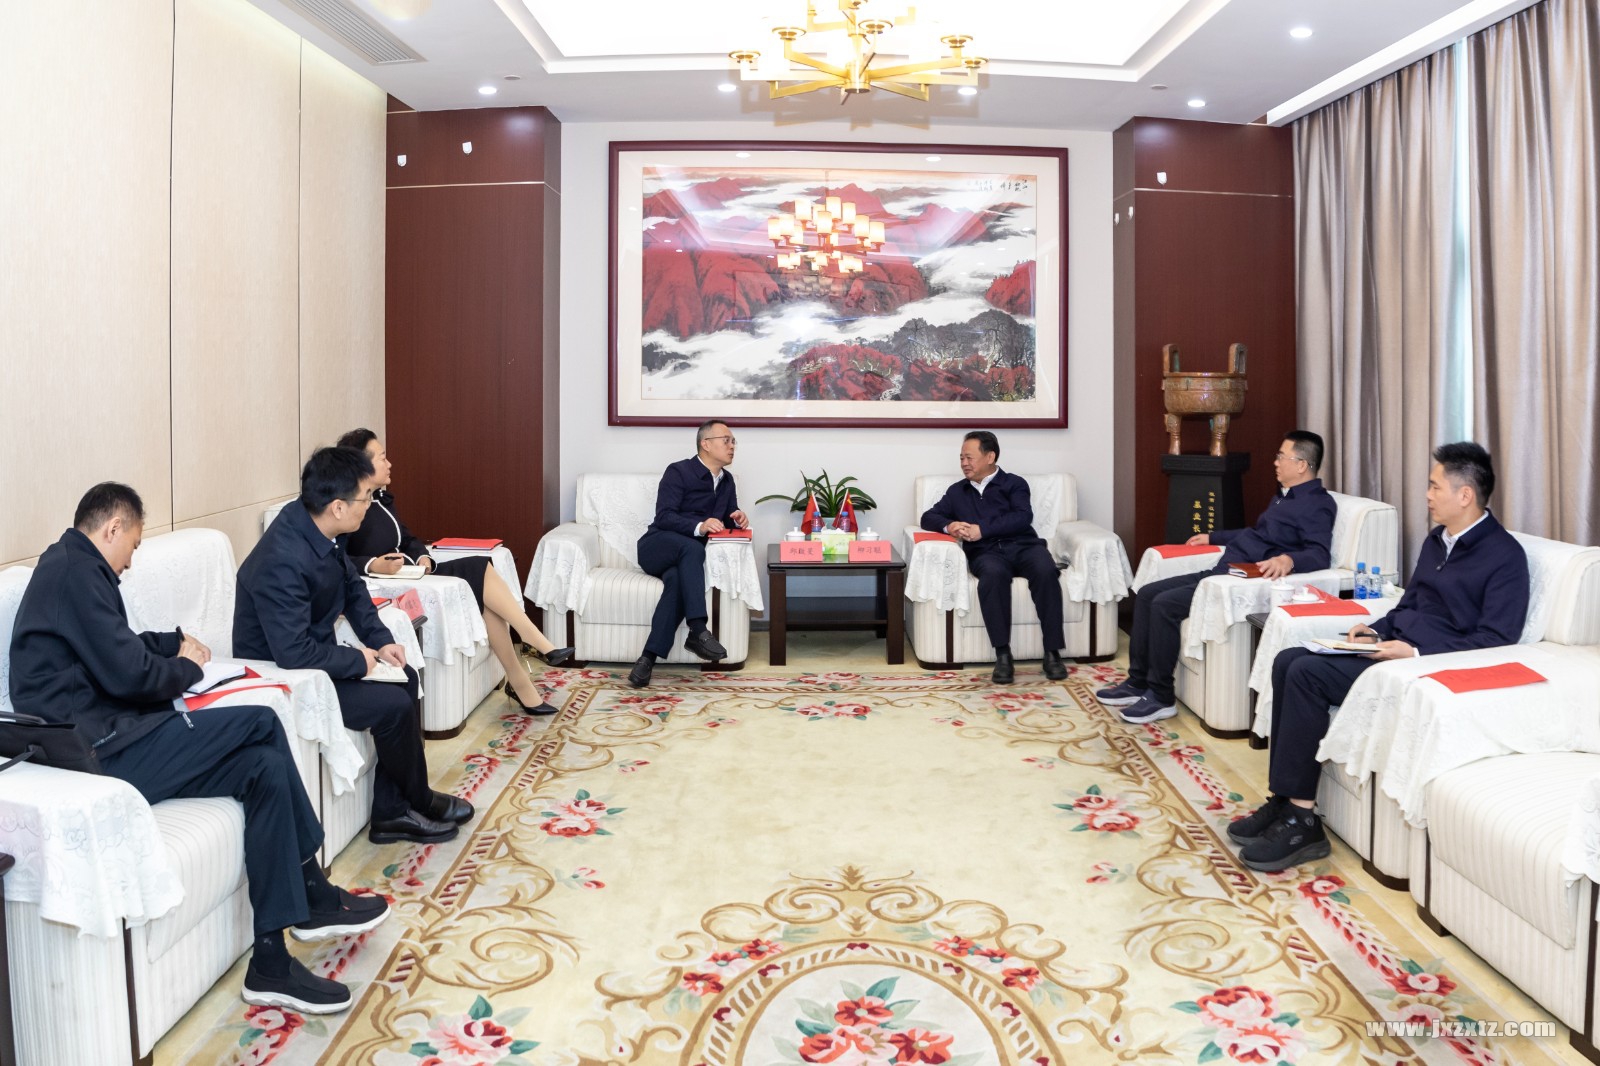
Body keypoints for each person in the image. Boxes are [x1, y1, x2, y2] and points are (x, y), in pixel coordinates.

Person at [7, 483, 387, 1014]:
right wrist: (189, 669)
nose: (130, 562)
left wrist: (172, 643)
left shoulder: (74, 568)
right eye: (133, 546)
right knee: (261, 721)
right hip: (96, 753)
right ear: (112, 529)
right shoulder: (74, 572)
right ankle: (311, 887)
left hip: (112, 735)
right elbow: (130, 674)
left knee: (262, 767)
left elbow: (115, 646)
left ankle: (271, 960)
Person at [1229, 442, 1529, 872]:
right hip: (1391, 649)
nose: (1427, 494)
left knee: (1307, 673)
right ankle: (1283, 801)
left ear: (1465, 495)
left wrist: (1417, 651)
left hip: (1422, 667)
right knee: (1288, 659)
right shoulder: (1437, 541)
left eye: (1434, 486)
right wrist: (1376, 629)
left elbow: (1497, 640)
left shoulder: (1504, 556)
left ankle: (1302, 821)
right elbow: (1411, 604)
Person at [235, 446, 472, 846]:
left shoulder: (320, 529)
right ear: (338, 507)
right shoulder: (281, 559)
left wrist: (381, 642)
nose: (369, 505)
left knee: (406, 675)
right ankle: (414, 802)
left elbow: (353, 590)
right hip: (286, 679)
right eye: (365, 497)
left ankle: (393, 811)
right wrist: (358, 660)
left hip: (314, 660)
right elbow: (291, 652)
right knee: (392, 706)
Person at [1097, 430, 1337, 724]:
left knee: (1164, 605)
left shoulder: (1317, 503)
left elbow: (1320, 554)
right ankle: (1137, 682)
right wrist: (1213, 536)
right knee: (1147, 593)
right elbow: (1256, 534)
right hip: (1224, 569)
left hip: (1238, 582)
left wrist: (1289, 559)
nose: (1275, 462)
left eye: (1281, 456)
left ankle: (1160, 696)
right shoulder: (1284, 497)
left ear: (1301, 465)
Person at [335, 428, 573, 716]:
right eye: (382, 458)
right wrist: (373, 564)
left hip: (416, 574)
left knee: (483, 577)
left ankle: (522, 677)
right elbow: (339, 556)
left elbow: (408, 538)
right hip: (393, 584)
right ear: (361, 466)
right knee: (477, 569)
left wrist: (423, 557)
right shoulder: (347, 505)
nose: (389, 464)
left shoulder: (381, 499)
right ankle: (532, 649)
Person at [920, 430, 1067, 684]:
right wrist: (950, 525)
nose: (964, 463)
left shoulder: (1014, 483)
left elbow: (1022, 517)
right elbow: (928, 517)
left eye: (969, 457)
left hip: (1024, 546)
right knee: (993, 576)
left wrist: (983, 529)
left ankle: (1052, 653)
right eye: (961, 458)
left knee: (1045, 570)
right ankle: (1003, 655)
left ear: (990, 457)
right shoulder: (957, 491)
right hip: (986, 552)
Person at [629, 419, 748, 688]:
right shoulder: (679, 471)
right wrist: (699, 526)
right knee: (692, 546)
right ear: (706, 444)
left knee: (677, 584)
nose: (732, 446)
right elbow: (665, 516)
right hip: (656, 546)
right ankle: (698, 628)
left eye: (733, 442)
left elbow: (726, 519)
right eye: (726, 440)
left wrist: (737, 518)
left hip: (686, 559)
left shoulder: (727, 481)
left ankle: (646, 660)